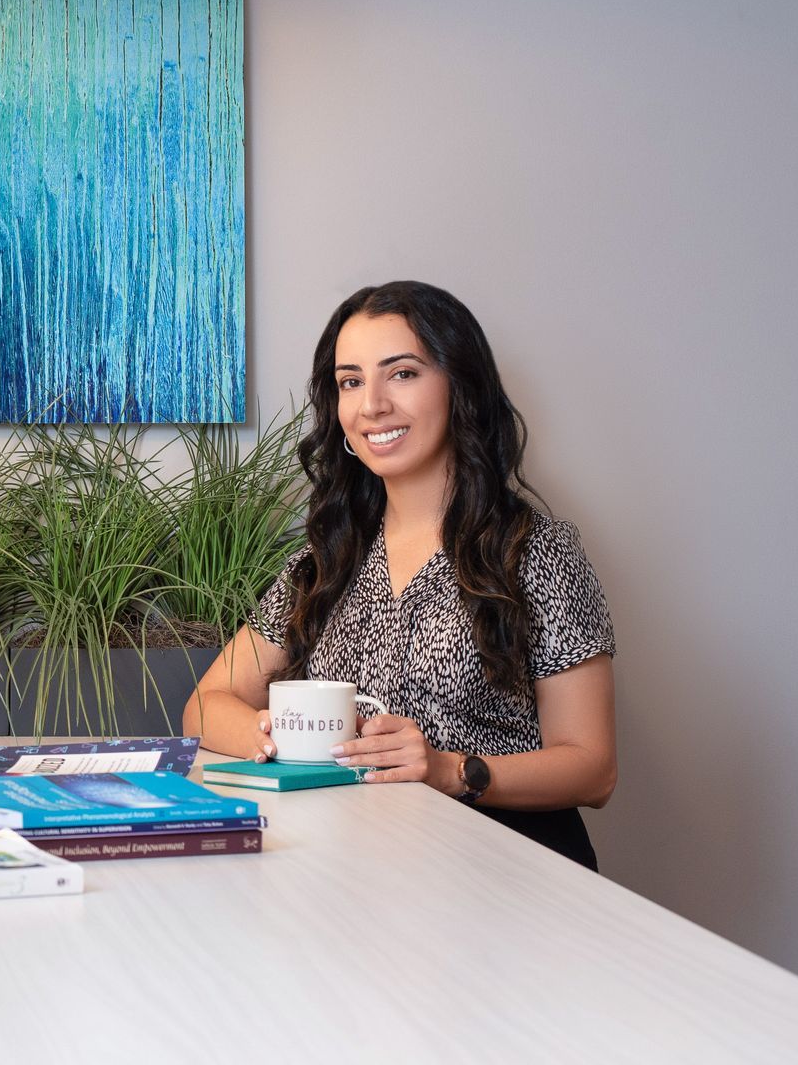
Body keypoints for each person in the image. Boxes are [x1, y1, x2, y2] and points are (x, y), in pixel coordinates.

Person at [183, 281, 617, 868]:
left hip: (505, 877)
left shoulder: (538, 552)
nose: (372, 406)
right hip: (349, 873)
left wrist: (451, 770)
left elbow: (594, 768)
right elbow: (206, 703)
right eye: (351, 382)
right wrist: (276, 738)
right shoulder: (324, 562)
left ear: (459, 386)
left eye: (403, 373)